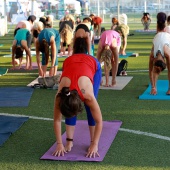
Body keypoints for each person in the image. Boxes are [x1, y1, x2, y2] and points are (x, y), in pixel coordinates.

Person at [52, 37, 103, 158]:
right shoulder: (60, 95)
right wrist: (59, 143)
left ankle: (91, 140)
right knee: (71, 109)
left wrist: (95, 144)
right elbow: (57, 120)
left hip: (92, 65)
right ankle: (70, 141)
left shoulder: (88, 95)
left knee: (91, 109)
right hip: (70, 62)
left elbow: (99, 121)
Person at [149, 12, 170, 95]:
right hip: (160, 36)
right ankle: (161, 19)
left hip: (166, 36)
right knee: (161, 24)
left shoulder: (167, 53)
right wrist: (153, 87)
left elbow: (151, 70)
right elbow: (152, 70)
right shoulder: (152, 56)